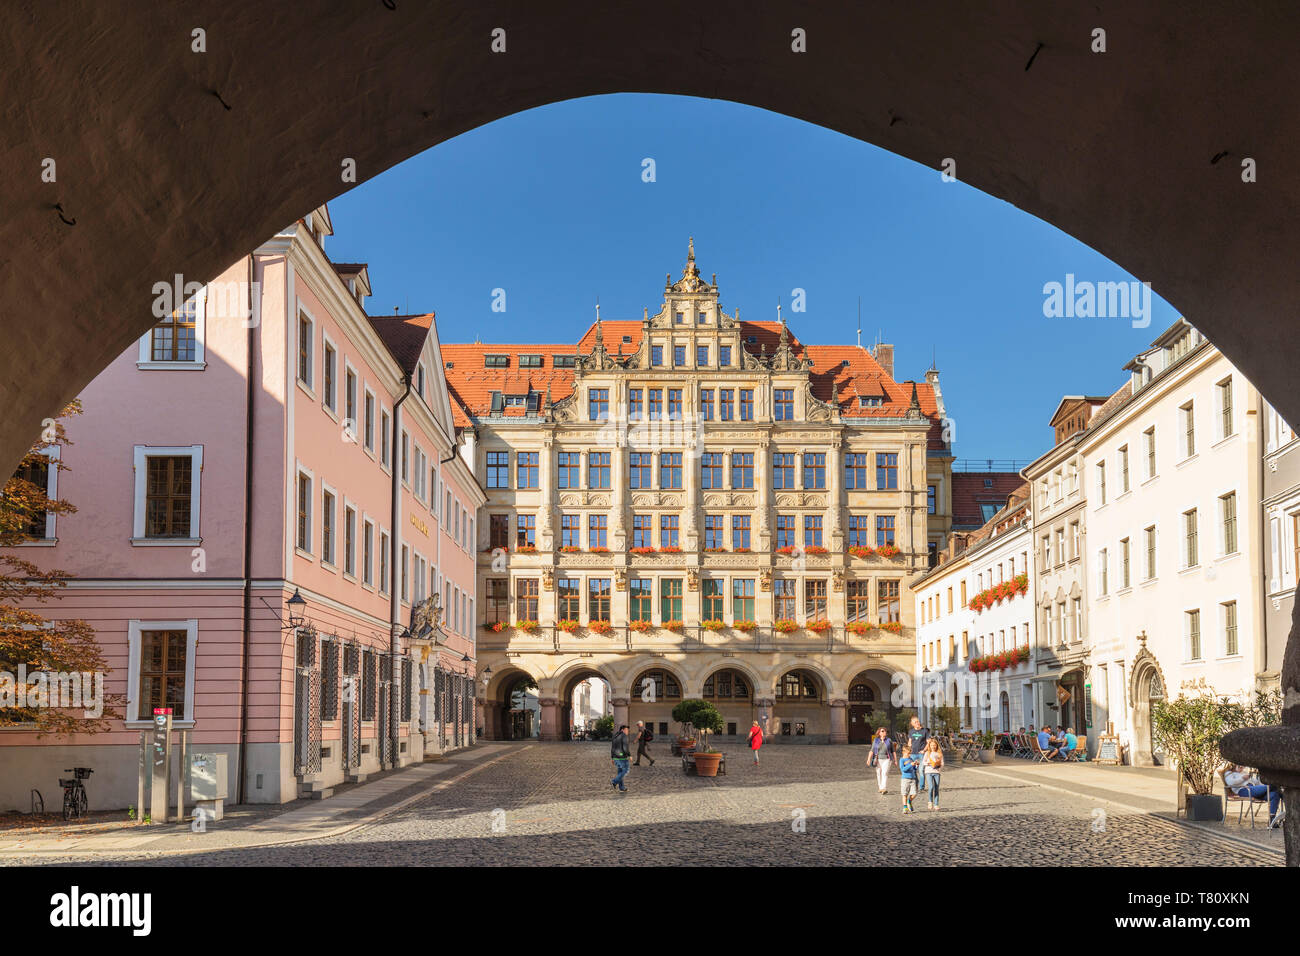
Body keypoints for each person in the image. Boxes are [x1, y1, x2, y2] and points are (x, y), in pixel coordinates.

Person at [869, 726, 894, 794]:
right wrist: (869, 759)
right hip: (878, 759)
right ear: (879, 733)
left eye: (885, 731)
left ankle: (884, 788)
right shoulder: (876, 740)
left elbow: (893, 751)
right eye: (882, 731)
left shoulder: (889, 740)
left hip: (887, 759)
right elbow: (872, 750)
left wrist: (896, 760)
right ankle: (880, 787)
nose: (884, 732)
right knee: (879, 773)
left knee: (884, 773)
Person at [922, 737, 944, 810]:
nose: (933, 747)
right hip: (928, 772)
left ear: (937, 745)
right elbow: (923, 762)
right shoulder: (927, 753)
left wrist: (939, 766)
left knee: (936, 788)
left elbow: (942, 763)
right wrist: (927, 763)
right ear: (929, 746)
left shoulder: (939, 754)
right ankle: (930, 801)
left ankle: (936, 804)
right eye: (932, 745)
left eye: (934, 745)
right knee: (931, 787)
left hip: (936, 772)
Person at [907, 716, 929, 790]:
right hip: (912, 754)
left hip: (921, 754)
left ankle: (921, 787)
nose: (917, 723)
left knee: (921, 771)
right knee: (913, 771)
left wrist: (924, 750)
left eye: (918, 721)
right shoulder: (911, 731)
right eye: (915, 722)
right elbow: (909, 742)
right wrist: (908, 751)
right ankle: (916, 784)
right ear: (912, 723)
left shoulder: (925, 731)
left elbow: (928, 742)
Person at [610, 724, 631, 792]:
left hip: (616, 757)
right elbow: (625, 747)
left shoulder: (615, 736)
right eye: (626, 730)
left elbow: (612, 747)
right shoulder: (624, 736)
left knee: (620, 772)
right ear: (622, 730)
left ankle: (622, 787)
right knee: (626, 770)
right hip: (622, 757)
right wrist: (629, 755)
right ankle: (614, 781)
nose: (627, 731)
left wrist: (612, 757)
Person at [899, 745, 919, 813]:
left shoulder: (911, 759)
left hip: (912, 778)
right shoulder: (902, 760)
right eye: (908, 753)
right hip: (905, 779)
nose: (909, 754)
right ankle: (905, 807)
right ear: (903, 752)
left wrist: (916, 765)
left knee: (914, 793)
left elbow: (914, 769)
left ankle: (909, 801)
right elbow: (903, 769)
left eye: (910, 753)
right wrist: (911, 765)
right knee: (904, 794)